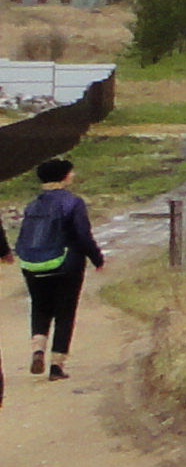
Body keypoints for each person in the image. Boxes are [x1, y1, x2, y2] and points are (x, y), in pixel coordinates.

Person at [16, 156, 103, 382]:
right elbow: (82, 235)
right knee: (65, 312)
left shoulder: (33, 204)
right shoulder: (73, 202)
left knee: (40, 307)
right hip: (66, 263)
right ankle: (56, 366)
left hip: (32, 263)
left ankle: (38, 349)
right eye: (70, 172)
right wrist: (97, 259)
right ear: (64, 176)